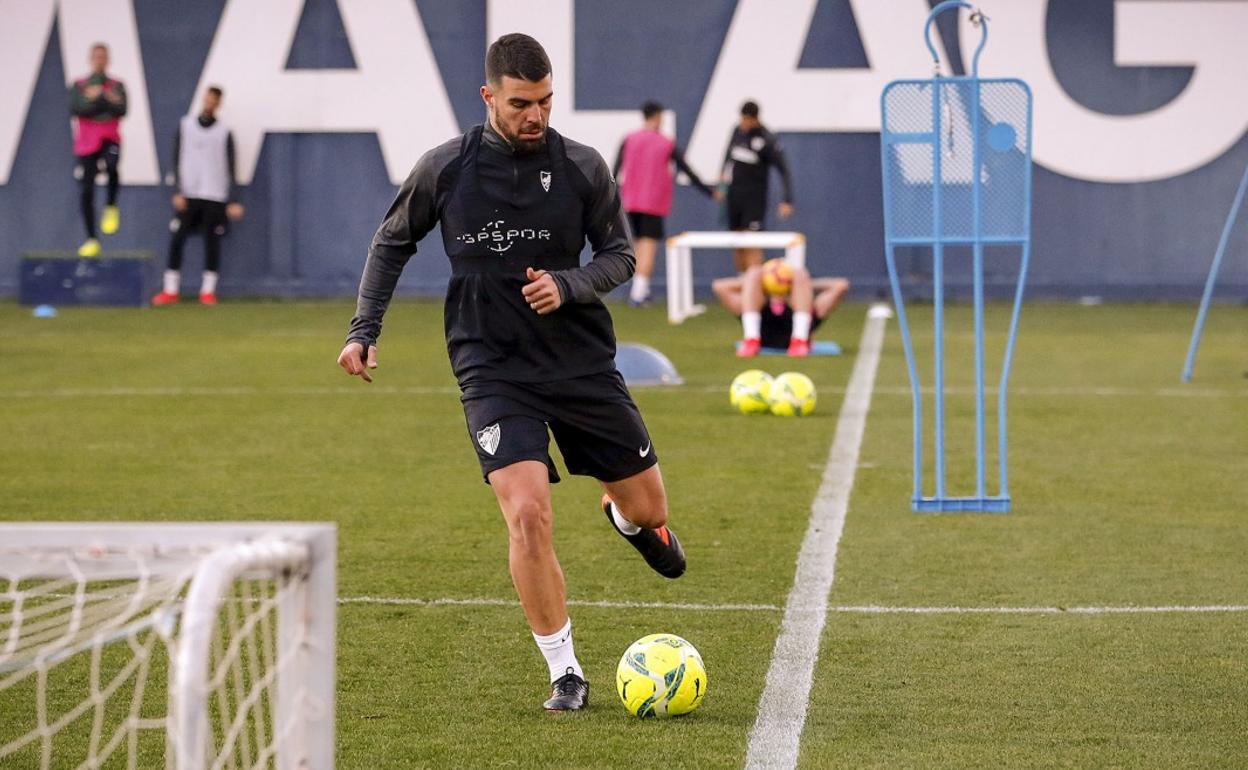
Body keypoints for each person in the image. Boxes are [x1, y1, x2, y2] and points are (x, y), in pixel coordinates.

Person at [336, 33, 686, 712]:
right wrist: (363, 331)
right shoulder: (447, 167)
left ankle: (628, 519)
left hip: (580, 362)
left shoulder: (582, 166)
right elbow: (391, 241)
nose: (536, 115)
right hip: (490, 365)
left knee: (651, 507)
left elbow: (620, 255)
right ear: (488, 96)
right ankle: (566, 672)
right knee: (527, 513)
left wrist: (570, 284)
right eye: (522, 102)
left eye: (546, 101)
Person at [612, 101, 717, 306]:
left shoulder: (629, 139)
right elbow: (687, 170)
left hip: (631, 201)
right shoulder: (665, 142)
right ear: (658, 116)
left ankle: (641, 289)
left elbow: (614, 170)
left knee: (638, 244)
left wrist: (610, 196)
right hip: (652, 203)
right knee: (648, 246)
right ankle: (639, 293)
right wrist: (709, 192)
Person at [152, 86, 244, 306]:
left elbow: (231, 165)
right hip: (189, 193)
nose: (210, 103)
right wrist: (177, 191)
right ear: (203, 100)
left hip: (214, 194)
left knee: (212, 240)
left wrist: (233, 199)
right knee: (177, 238)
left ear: (218, 103)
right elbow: (176, 158)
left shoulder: (224, 131)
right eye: (208, 99)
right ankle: (171, 288)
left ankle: (208, 290)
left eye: (215, 100)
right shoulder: (186, 126)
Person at [713, 263, 848, 357]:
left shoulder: (806, 308)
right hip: (761, 336)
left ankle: (799, 341)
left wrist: (799, 282)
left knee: (799, 273)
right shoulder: (757, 307)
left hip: (798, 334)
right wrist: (763, 281)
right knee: (754, 272)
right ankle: (751, 340)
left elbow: (840, 286)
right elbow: (720, 286)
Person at [720, 100, 794, 273]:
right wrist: (722, 182)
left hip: (754, 199)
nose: (744, 124)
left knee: (752, 242)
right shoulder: (737, 132)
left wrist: (787, 200)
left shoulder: (767, 139)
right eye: (742, 119)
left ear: (755, 119)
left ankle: (756, 287)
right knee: (737, 242)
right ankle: (742, 281)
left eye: (747, 120)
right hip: (735, 196)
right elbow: (727, 156)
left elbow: (784, 170)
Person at [69, 43, 127, 258]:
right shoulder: (80, 84)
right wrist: (104, 101)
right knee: (87, 189)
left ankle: (111, 206)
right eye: (96, 56)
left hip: (109, 137)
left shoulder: (117, 84)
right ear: (91, 59)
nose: (100, 60)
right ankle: (91, 238)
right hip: (87, 142)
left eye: (103, 56)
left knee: (112, 165)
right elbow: (77, 109)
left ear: (107, 59)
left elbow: (122, 109)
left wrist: (98, 97)